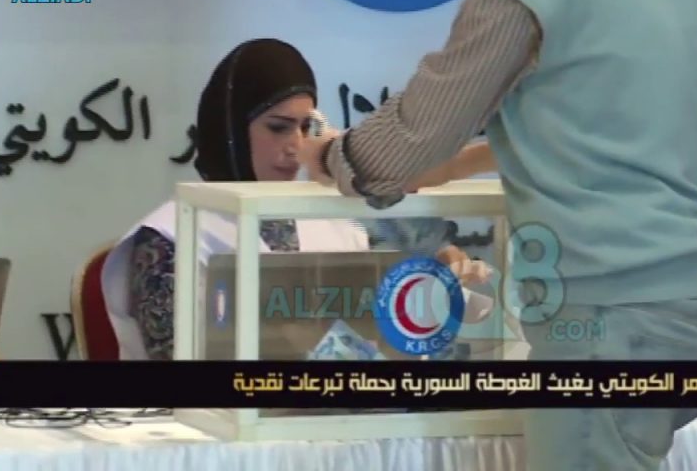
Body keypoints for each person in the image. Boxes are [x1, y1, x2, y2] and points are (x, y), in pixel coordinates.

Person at [298, 0, 697, 469]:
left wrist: (330, 154)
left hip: (603, 318)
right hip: (689, 303)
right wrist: (459, 164)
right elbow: (606, 117)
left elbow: (409, 139)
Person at [100, 38, 484, 361]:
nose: (296, 146)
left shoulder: (335, 218)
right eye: (278, 128)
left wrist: (430, 282)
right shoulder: (170, 238)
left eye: (305, 128)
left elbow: (388, 326)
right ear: (231, 129)